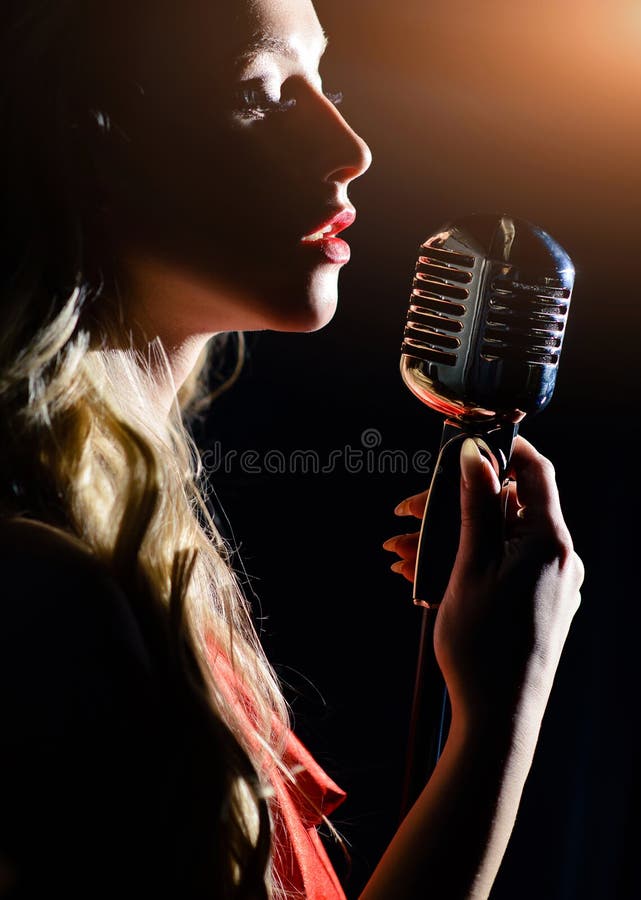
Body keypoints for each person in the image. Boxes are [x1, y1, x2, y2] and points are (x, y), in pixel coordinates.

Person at [0, 1, 584, 898]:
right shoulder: (48, 597)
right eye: (261, 91)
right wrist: (504, 710)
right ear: (88, 138)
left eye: (325, 82)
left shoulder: (137, 558)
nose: (352, 147)